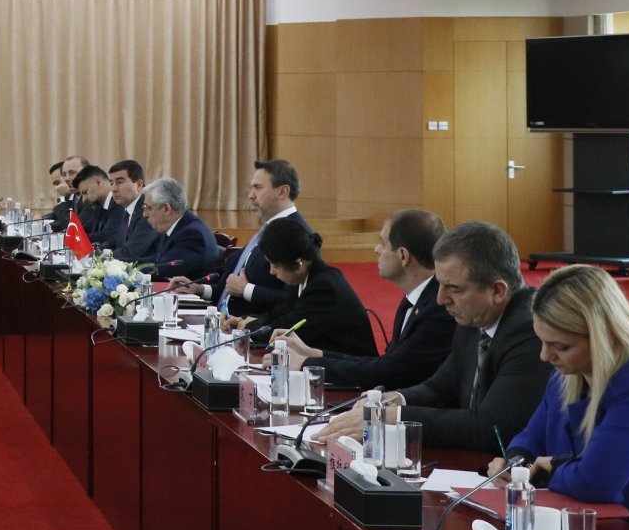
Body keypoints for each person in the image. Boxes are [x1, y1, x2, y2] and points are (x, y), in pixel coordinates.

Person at [321, 221, 549, 451]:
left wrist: (393, 418)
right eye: (439, 285)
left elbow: (492, 428)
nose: (440, 299)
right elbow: (441, 388)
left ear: (497, 291)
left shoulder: (531, 332)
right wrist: (395, 399)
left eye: (454, 288)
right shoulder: (473, 316)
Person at [487, 265, 629, 525]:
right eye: (543, 342)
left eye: (561, 346)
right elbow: (531, 438)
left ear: (604, 336)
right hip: (578, 527)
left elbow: (596, 481)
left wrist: (552, 469)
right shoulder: (565, 376)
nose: (545, 356)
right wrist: (515, 464)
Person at [286, 209, 455, 389]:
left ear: (403, 256)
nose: (376, 249)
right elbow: (387, 362)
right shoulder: (416, 299)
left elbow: (389, 372)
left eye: (382, 243)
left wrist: (307, 363)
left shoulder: (439, 308)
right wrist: (314, 354)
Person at [174, 160, 317, 317]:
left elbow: (297, 300)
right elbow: (232, 285)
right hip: (220, 322)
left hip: (254, 332)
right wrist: (199, 289)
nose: (250, 196)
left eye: (258, 187)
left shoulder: (300, 235)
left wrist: (247, 290)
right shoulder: (267, 230)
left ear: (282, 192)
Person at [229, 216, 377, 356]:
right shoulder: (302, 278)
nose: (271, 271)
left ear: (298, 262)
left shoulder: (324, 288)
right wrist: (242, 320)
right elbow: (278, 313)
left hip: (350, 374)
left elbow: (288, 329)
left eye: (275, 265)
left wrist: (248, 327)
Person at [141, 177, 219, 281]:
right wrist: (119, 264)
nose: (144, 214)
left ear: (166, 209)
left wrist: (127, 272)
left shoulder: (192, 235)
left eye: (149, 208)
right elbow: (155, 261)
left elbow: (164, 271)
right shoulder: (176, 227)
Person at [105, 159, 153, 260]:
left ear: (139, 185)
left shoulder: (148, 212)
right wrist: (93, 251)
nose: (113, 189)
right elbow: (112, 241)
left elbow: (130, 252)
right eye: (111, 183)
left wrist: (101, 257)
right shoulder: (126, 210)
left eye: (119, 182)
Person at [71, 165, 116, 245]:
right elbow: (87, 227)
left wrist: (76, 239)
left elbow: (107, 235)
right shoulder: (99, 205)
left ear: (98, 182)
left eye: (85, 192)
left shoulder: (118, 203)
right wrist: (68, 235)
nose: (84, 199)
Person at [49, 155, 89, 232]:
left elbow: (70, 225)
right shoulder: (75, 196)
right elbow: (58, 217)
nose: (67, 178)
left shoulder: (91, 197)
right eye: (64, 174)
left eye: (72, 173)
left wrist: (61, 198)